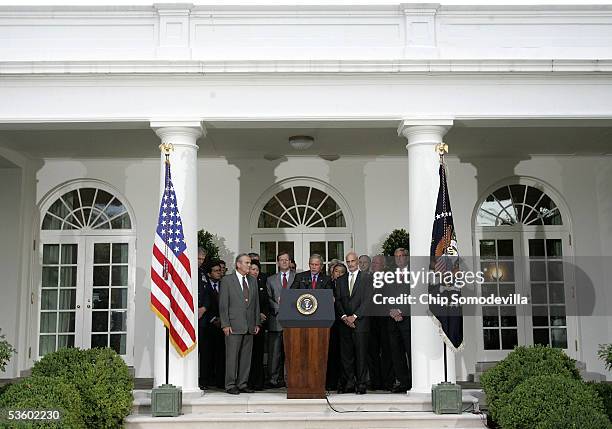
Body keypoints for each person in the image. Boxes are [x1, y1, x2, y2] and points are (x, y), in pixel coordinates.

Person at [219, 254, 261, 394]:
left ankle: (242, 383)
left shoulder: (252, 280)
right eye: (247, 263)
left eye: (250, 263)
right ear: (238, 264)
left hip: (249, 325)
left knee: (246, 357)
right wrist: (225, 324)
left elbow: (256, 304)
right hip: (233, 325)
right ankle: (230, 385)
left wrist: (256, 322)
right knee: (232, 357)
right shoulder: (227, 280)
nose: (249, 265)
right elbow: (223, 304)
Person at [335, 251, 373, 394]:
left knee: (361, 355)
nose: (350, 264)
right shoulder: (340, 279)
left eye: (353, 261)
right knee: (346, 356)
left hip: (361, 323)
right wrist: (345, 317)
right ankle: (350, 382)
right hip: (345, 324)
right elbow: (338, 301)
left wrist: (355, 316)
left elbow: (368, 300)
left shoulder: (367, 278)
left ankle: (361, 384)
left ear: (357, 261)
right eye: (348, 262)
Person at [265, 251, 295, 388]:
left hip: (293, 320)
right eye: (281, 260)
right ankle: (273, 379)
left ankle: (291, 379)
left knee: (292, 352)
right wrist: (279, 307)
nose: (284, 262)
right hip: (275, 319)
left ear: (289, 262)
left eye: (286, 260)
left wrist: (289, 308)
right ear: (278, 262)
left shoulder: (297, 278)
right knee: (274, 352)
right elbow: (268, 298)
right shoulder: (270, 279)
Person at [386, 247, 412, 392]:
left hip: (408, 319)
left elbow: (416, 295)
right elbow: (384, 294)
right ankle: (403, 382)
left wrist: (401, 310)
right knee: (396, 353)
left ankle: (414, 382)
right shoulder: (389, 274)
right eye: (396, 256)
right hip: (392, 319)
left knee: (410, 352)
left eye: (402, 256)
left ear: (406, 257)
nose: (399, 258)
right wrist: (391, 310)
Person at [367, 254, 395, 391]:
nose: (374, 265)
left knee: (386, 352)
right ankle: (375, 381)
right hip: (370, 320)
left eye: (377, 263)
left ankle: (387, 382)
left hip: (385, 319)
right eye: (373, 263)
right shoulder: (367, 278)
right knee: (372, 352)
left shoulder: (389, 278)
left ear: (383, 265)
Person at [200, 260, 225, 389]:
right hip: (207, 324)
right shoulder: (204, 286)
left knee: (221, 354)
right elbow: (203, 304)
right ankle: (205, 381)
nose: (219, 273)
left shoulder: (224, 284)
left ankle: (220, 381)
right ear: (209, 273)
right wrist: (213, 318)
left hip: (222, 324)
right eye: (216, 271)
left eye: (220, 270)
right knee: (206, 354)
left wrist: (222, 319)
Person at [247, 260, 269, 391]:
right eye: (252, 269)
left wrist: (263, 314)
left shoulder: (261, 284)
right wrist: (256, 314)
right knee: (248, 354)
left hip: (260, 324)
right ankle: (247, 382)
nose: (255, 272)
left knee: (258, 354)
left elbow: (266, 302)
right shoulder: (244, 284)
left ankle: (258, 382)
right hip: (248, 324)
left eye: (257, 269)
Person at [326, 262, 346, 390]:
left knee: (344, 354)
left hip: (344, 323)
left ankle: (344, 382)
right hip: (330, 324)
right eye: (336, 271)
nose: (338, 274)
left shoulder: (348, 285)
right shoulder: (327, 284)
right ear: (332, 273)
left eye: (341, 272)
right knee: (331, 353)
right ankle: (331, 382)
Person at [197, 247, 210, 389]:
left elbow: (207, 293)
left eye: (202, 259)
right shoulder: (186, 269)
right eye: (198, 259)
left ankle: (202, 379)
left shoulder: (203, 273)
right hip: (188, 316)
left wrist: (204, 308)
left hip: (202, 317)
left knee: (203, 350)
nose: (200, 262)